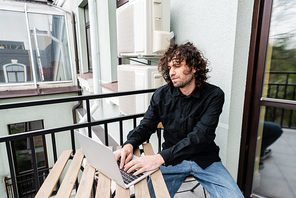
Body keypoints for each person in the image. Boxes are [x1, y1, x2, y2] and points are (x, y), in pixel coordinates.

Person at [114, 42, 244, 198]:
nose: (171, 72)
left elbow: (200, 137)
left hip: (204, 160)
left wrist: (159, 158)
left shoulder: (214, 95)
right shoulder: (161, 95)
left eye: (176, 66)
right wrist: (129, 144)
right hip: (171, 161)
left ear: (194, 67)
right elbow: (146, 126)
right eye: (169, 68)